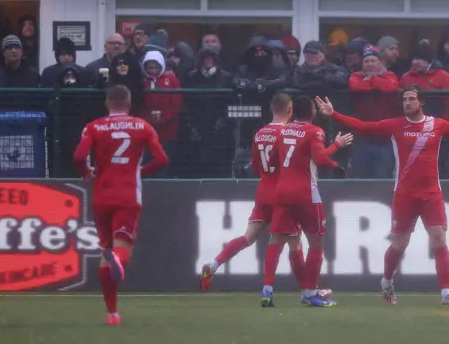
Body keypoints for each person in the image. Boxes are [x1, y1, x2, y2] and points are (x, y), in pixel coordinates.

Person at [314, 85, 449, 306]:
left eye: (411, 99)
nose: (407, 103)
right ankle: (387, 282)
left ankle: (446, 294)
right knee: (398, 245)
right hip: (405, 195)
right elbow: (365, 127)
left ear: (421, 102)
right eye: (404, 99)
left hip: (432, 193)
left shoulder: (437, 125)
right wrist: (333, 114)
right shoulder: (395, 125)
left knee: (439, 238)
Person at [199, 93, 332, 303]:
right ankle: (307, 292)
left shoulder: (260, 133)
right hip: (285, 192)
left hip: (264, 190)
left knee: (248, 237)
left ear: (272, 109)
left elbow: (255, 165)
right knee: (294, 244)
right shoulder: (288, 132)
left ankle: (214, 265)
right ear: (290, 111)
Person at [72, 85, 168, 326]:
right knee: (122, 246)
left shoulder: (94, 127)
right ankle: (117, 258)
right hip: (128, 195)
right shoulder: (143, 126)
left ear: (107, 103)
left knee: (105, 250)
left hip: (101, 197)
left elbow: (78, 156)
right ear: (129, 103)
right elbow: (162, 159)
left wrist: (86, 172)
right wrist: (140, 171)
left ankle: (112, 314)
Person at [263, 96, 353, 308]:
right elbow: (320, 158)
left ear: (293, 112)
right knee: (316, 242)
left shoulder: (283, 130)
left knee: (276, 241)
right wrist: (337, 146)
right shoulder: (315, 132)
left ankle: (266, 290)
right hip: (306, 194)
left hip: (282, 192)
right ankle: (310, 293)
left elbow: (274, 158)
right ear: (313, 113)